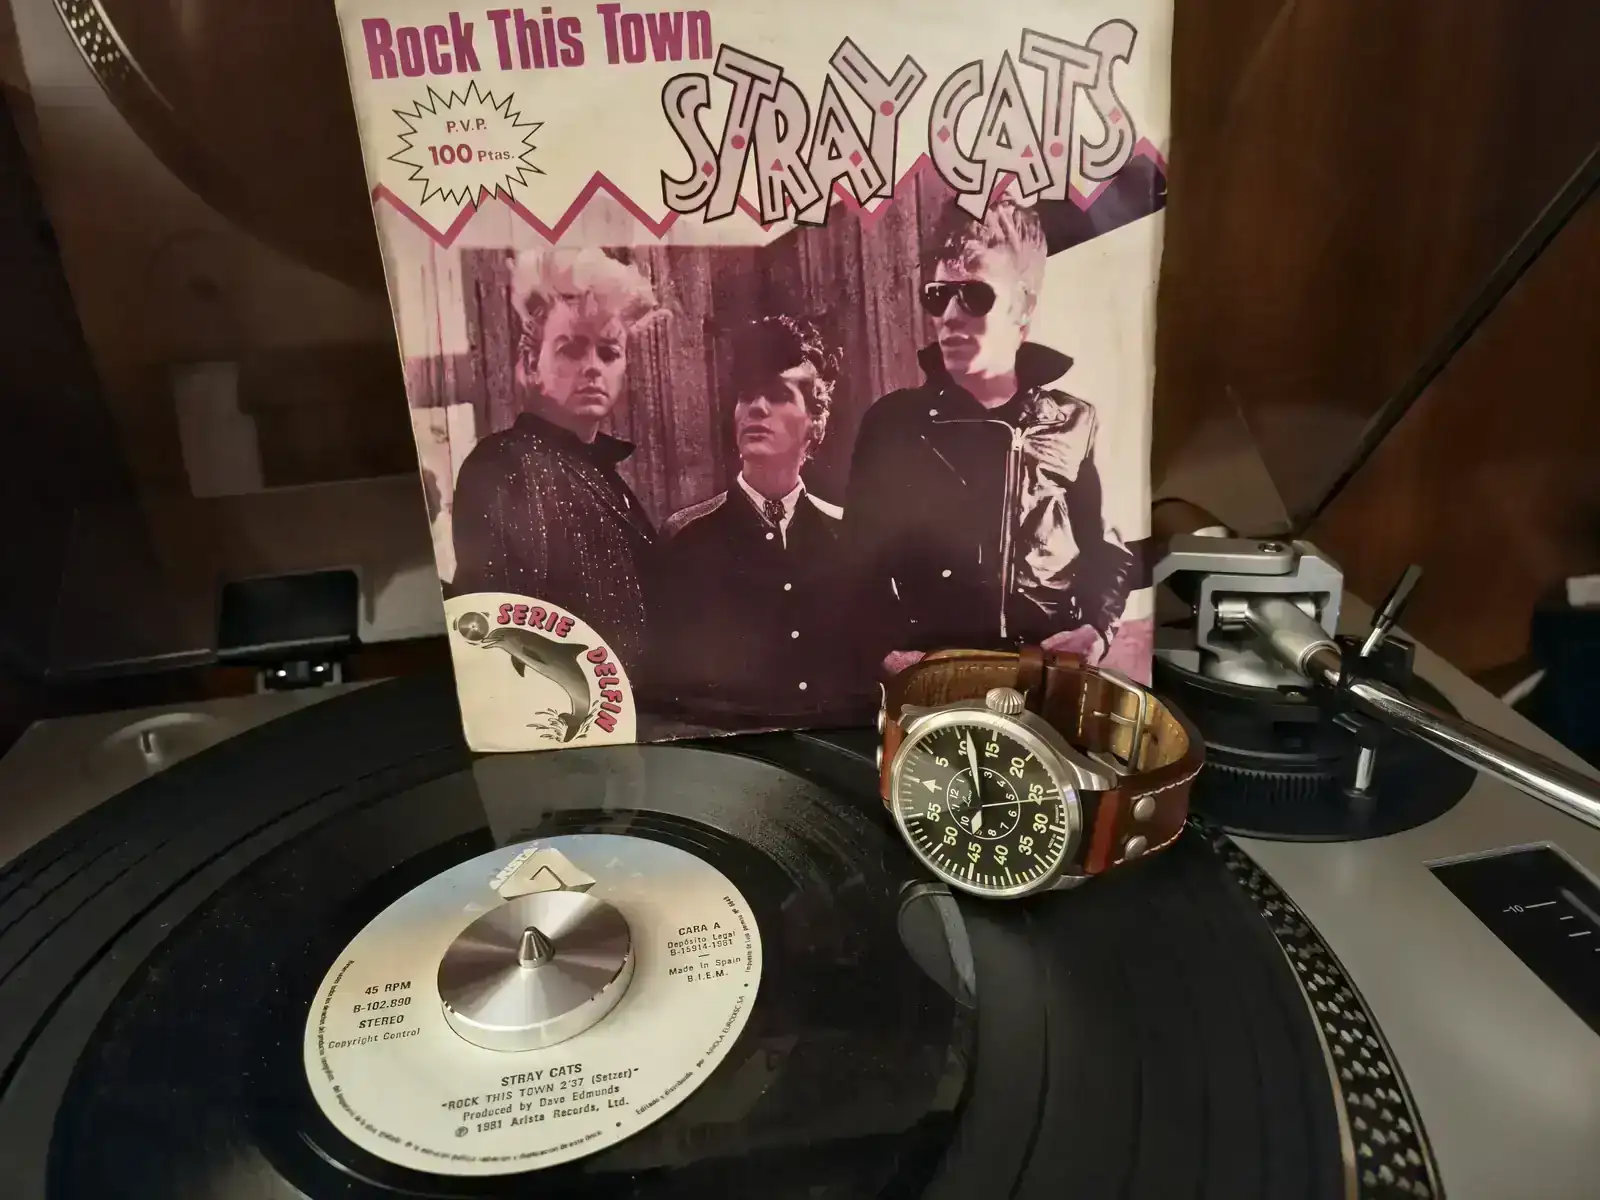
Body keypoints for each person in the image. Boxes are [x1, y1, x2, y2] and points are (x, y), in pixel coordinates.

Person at [842, 196, 1136, 677]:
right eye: (938, 295)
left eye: (974, 296)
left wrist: (1097, 630)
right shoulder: (894, 423)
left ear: (1023, 305)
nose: (950, 315)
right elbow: (854, 563)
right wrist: (888, 655)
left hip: (1047, 672)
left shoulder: (1076, 421)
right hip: (935, 672)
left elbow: (1108, 552)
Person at [448, 247, 662, 670]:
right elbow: (504, 644)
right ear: (532, 364)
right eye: (571, 349)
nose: (593, 367)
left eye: (608, 352)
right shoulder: (506, 464)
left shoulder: (602, 473)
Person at [649, 315, 856, 727]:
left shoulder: (849, 536)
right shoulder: (686, 539)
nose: (757, 409)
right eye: (747, 396)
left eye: (778, 396)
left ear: (815, 422)